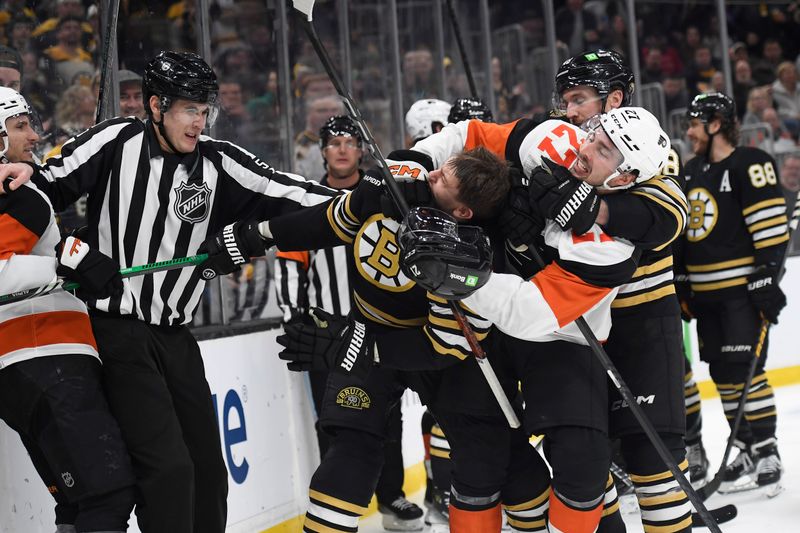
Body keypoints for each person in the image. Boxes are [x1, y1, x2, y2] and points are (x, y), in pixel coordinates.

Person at [0, 51, 338, 533]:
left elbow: (298, 195)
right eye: (187, 110)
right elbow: (44, 182)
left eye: (204, 110)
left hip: (177, 337)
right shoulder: (115, 140)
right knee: (169, 471)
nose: (199, 122)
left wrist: (372, 198)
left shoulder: (219, 163)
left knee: (207, 472)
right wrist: (18, 176)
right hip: (117, 332)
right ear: (156, 106)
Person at [274, 115, 424, 530]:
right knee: (335, 421)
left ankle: (391, 496)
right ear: (322, 151)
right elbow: (290, 268)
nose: (341, 149)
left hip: (379, 329)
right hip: (328, 335)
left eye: (349, 141)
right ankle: (338, 505)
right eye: (333, 142)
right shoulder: (308, 200)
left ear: (361, 150)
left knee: (388, 416)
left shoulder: (382, 194)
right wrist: (295, 321)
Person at [0, 86, 136, 533]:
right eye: (19, 127)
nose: (33, 136)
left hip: (25, 367)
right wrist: (64, 259)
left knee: (78, 504)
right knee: (106, 497)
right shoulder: (15, 190)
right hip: (44, 356)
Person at [680, 92, 788, 492]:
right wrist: (683, 281)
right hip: (706, 298)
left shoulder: (752, 164)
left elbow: (771, 230)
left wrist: (766, 276)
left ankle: (767, 449)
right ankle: (743, 445)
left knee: (746, 373)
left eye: (694, 124)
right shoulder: (690, 172)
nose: (689, 132)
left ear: (714, 123)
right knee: (723, 376)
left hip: (741, 294)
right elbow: (685, 240)